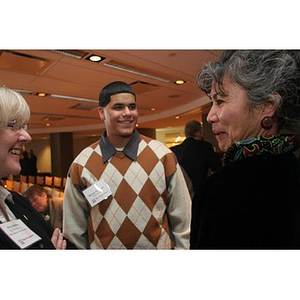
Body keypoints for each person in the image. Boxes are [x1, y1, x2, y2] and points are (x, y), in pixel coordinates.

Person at [190, 50, 300, 249]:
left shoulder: (219, 191)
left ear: (267, 106)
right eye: (212, 103)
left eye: (220, 101)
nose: (210, 116)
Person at [63, 81, 191, 249]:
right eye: (118, 107)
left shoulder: (163, 155)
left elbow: (183, 217)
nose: (127, 113)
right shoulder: (82, 164)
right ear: (102, 113)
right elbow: (74, 229)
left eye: (132, 107)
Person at [0, 86, 66, 249]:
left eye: (25, 127)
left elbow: (67, 246)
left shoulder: (18, 201)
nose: (27, 137)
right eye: (14, 126)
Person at [170, 119, 221, 194]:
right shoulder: (205, 147)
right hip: (200, 192)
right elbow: (217, 167)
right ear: (198, 132)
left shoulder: (174, 150)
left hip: (181, 193)